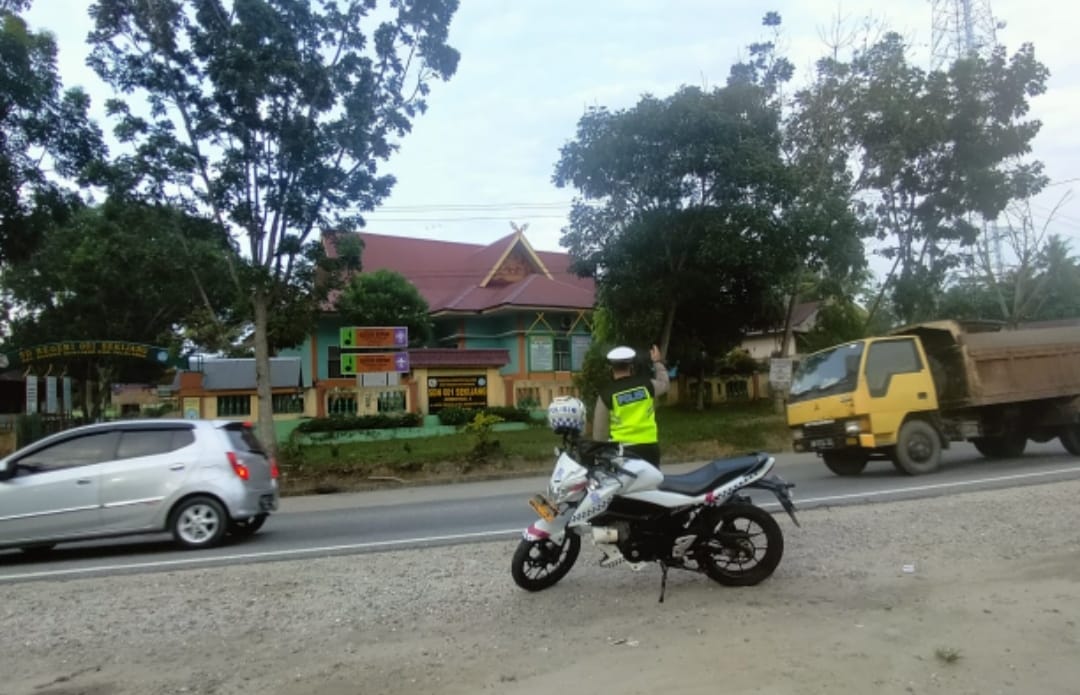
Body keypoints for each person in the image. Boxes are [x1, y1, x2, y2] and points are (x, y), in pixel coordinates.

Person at [592, 344, 669, 468]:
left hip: (623, 452)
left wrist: (601, 454)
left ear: (611, 369)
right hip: (650, 447)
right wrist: (657, 362)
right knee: (652, 485)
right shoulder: (647, 385)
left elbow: (600, 433)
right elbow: (664, 384)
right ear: (631, 367)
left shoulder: (606, 394)